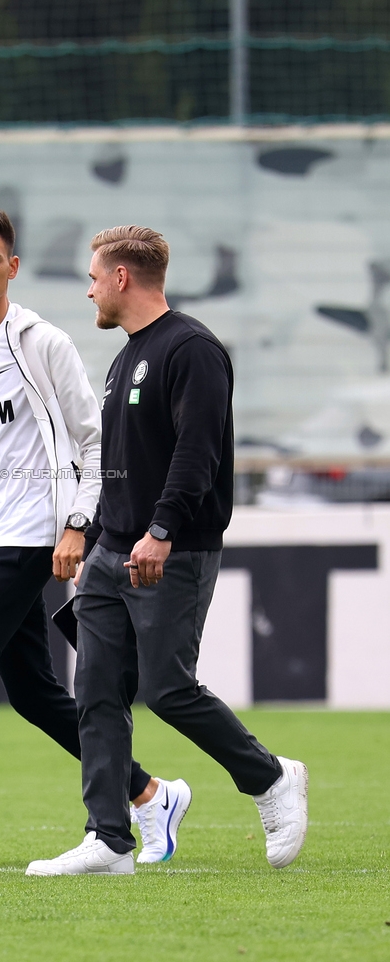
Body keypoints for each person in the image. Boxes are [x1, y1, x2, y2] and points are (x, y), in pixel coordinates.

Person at [0, 208, 185, 870]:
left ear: (12, 267)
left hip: (31, 538)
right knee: (35, 694)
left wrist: (77, 522)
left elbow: (94, 439)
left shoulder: (42, 342)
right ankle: (149, 793)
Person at [26, 225, 309, 877]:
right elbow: (124, 462)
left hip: (169, 550)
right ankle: (109, 840)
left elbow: (197, 451)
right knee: (95, 691)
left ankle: (270, 777)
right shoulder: (126, 356)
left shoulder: (192, 349)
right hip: (111, 553)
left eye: (95, 276)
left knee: (167, 688)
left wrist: (162, 530)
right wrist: (93, 534)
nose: (89, 288)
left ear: (122, 277)